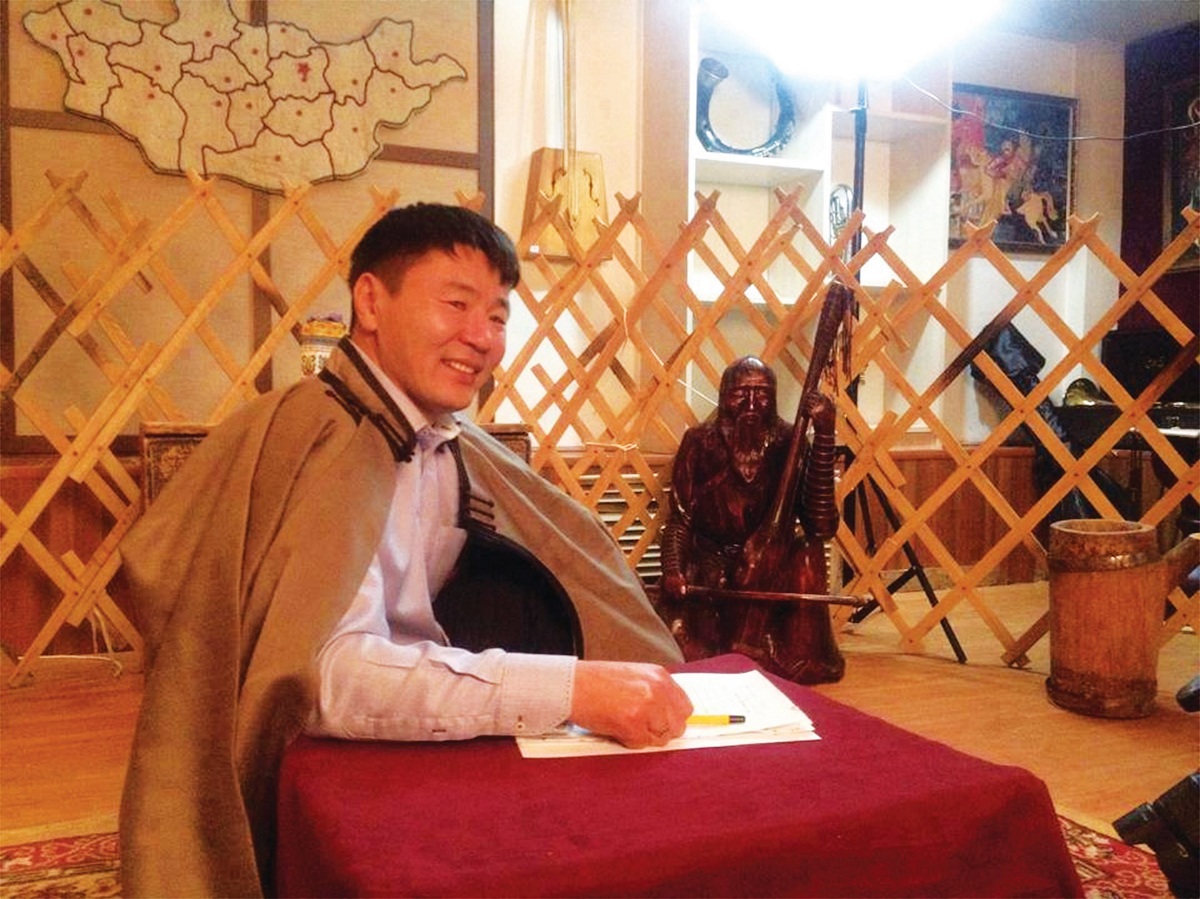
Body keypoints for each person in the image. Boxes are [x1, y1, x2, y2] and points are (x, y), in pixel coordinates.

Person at [117, 203, 689, 898]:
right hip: (325, 763)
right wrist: (568, 688)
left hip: (423, 738)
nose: (481, 337)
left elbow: (581, 570)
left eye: (499, 316)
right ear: (370, 302)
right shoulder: (319, 439)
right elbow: (329, 680)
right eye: (456, 304)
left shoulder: (452, 442)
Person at [658, 355, 843, 683]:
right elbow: (680, 519)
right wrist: (673, 570)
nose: (752, 404)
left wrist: (825, 434)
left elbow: (821, 526)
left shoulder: (790, 441)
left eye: (762, 394)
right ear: (724, 395)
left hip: (774, 565)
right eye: (740, 394)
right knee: (681, 648)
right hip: (711, 563)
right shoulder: (700, 442)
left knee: (808, 551)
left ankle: (792, 654)